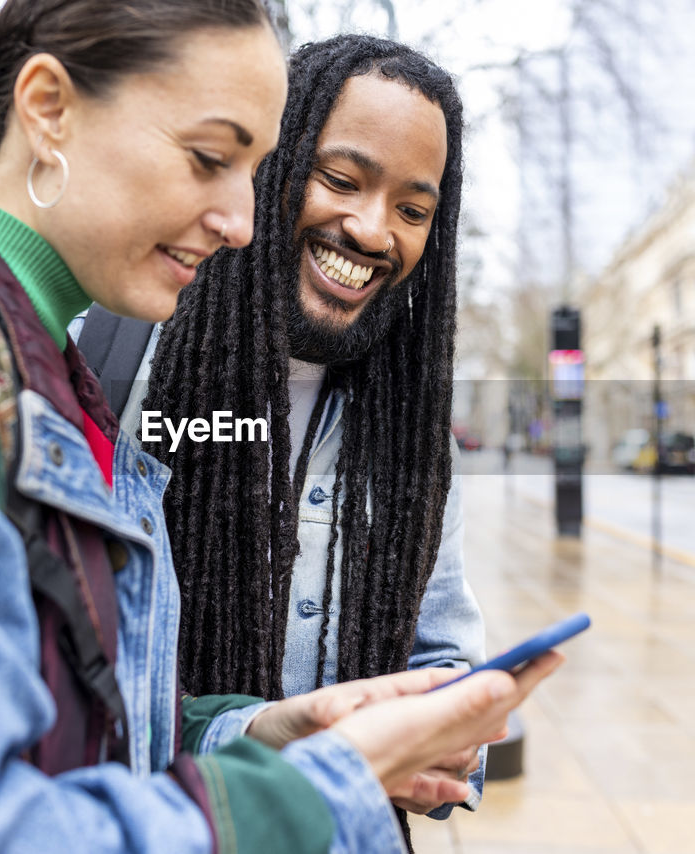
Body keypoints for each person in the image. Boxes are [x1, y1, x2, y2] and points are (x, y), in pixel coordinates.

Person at [0, 2, 565, 852]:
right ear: (49, 108)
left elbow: (97, 738)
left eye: (254, 173)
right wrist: (316, 785)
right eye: (210, 159)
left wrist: (265, 733)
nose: (244, 223)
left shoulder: (50, 380)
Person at [82, 34, 487, 826]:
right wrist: (254, 737)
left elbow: (442, 654)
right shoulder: (116, 366)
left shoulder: (412, 437)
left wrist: (454, 734)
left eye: (412, 210)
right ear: (276, 166)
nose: (373, 232)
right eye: (340, 180)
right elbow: (74, 676)